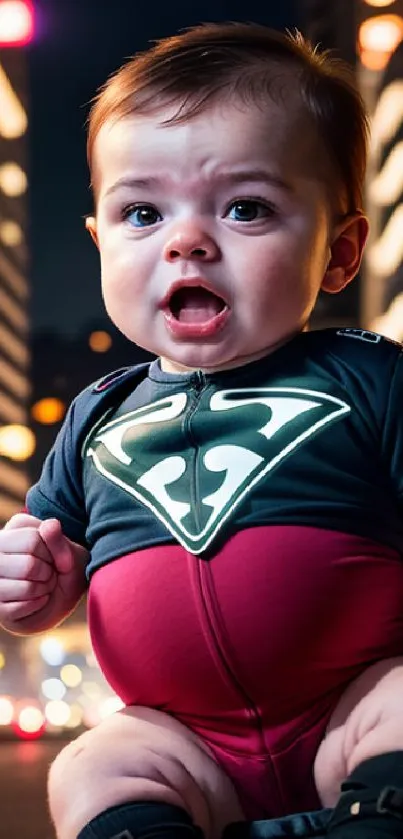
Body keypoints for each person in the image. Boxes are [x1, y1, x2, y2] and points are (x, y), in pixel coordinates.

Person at [1, 20, 403, 839]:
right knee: (94, 760)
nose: (186, 240)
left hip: (354, 702)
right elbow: (54, 568)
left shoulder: (367, 375)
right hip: (184, 739)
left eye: (245, 208)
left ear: (339, 250)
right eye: (142, 212)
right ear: (99, 241)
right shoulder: (96, 415)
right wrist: (31, 583)